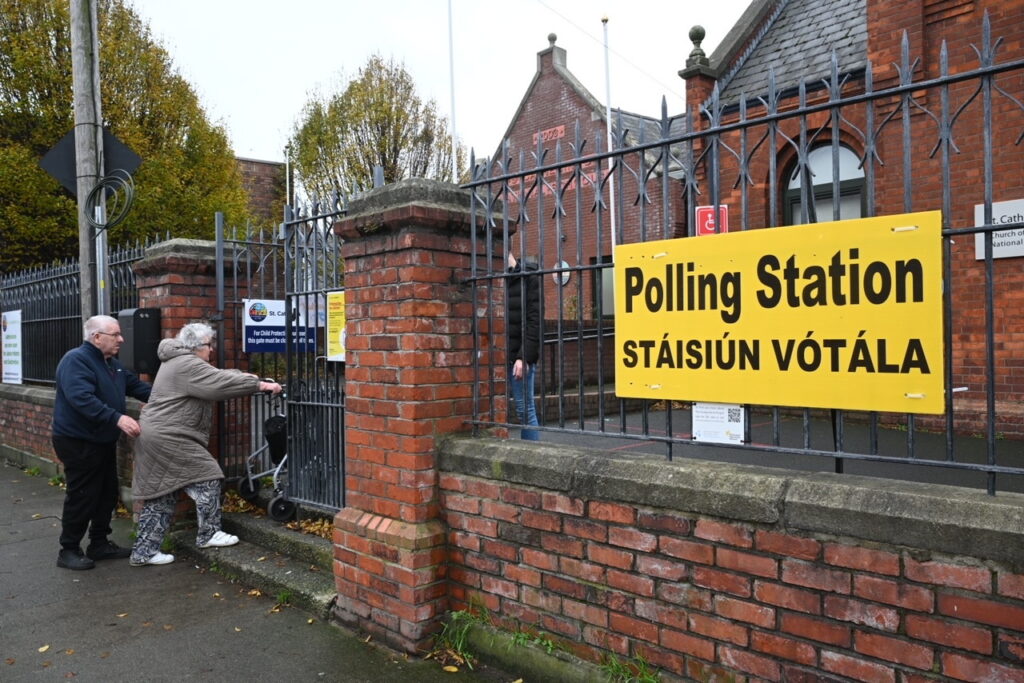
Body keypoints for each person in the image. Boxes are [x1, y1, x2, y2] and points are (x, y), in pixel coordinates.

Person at [129, 322, 282, 566]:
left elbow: (215, 376)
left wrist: (243, 377)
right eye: (209, 345)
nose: (211, 350)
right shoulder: (187, 364)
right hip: (170, 436)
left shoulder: (178, 362)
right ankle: (209, 533)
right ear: (197, 346)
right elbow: (217, 384)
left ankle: (144, 551)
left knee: (162, 494)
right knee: (208, 477)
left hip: (157, 434)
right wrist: (260, 385)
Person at [52, 315, 152, 570]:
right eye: (115, 334)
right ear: (97, 337)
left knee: (106, 493)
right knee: (83, 495)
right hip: (78, 441)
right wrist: (117, 418)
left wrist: (174, 395)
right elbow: (81, 399)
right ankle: (69, 549)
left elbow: (141, 389)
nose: (122, 339)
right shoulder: (76, 360)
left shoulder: (112, 365)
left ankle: (99, 543)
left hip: (101, 441)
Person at [507, 252, 542, 440]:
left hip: (518, 358)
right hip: (495, 356)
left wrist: (524, 357)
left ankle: (531, 458)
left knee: (525, 410)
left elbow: (534, 321)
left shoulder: (529, 277)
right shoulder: (494, 278)